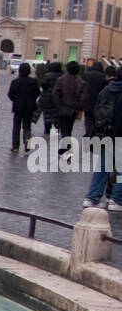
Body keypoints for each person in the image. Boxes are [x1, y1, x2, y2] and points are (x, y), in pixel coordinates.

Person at [82, 69, 122, 209]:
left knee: (103, 167)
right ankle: (117, 200)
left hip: (105, 133)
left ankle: (92, 198)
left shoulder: (105, 90)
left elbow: (96, 109)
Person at [52, 61, 87, 151]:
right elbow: (83, 98)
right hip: (73, 110)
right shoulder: (81, 82)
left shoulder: (61, 80)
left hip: (63, 108)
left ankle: (65, 147)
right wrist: (78, 107)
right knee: (68, 128)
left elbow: (55, 94)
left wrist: (58, 106)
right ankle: (66, 146)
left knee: (64, 128)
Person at [8, 61, 40, 154]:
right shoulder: (33, 82)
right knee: (27, 126)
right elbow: (38, 93)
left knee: (16, 127)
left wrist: (15, 100)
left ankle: (15, 147)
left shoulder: (15, 82)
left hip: (18, 107)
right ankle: (27, 141)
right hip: (29, 107)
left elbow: (10, 94)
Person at [82, 58, 106, 137]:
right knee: (95, 119)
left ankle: (88, 132)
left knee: (88, 119)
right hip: (98, 102)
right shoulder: (103, 77)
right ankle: (93, 133)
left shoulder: (86, 75)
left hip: (87, 101)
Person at [38, 60, 63, 136]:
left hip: (47, 98)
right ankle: (57, 128)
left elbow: (43, 85)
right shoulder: (62, 76)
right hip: (58, 98)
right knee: (56, 114)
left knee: (47, 114)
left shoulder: (48, 75)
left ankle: (47, 129)